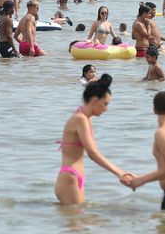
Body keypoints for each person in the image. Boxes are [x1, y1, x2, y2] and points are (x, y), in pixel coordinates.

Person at [54, 74, 129, 205]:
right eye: (105, 104)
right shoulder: (80, 119)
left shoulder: (86, 118)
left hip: (74, 177)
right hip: (69, 178)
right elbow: (92, 153)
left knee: (82, 221)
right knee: (78, 221)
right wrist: (120, 173)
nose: (106, 109)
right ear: (95, 101)